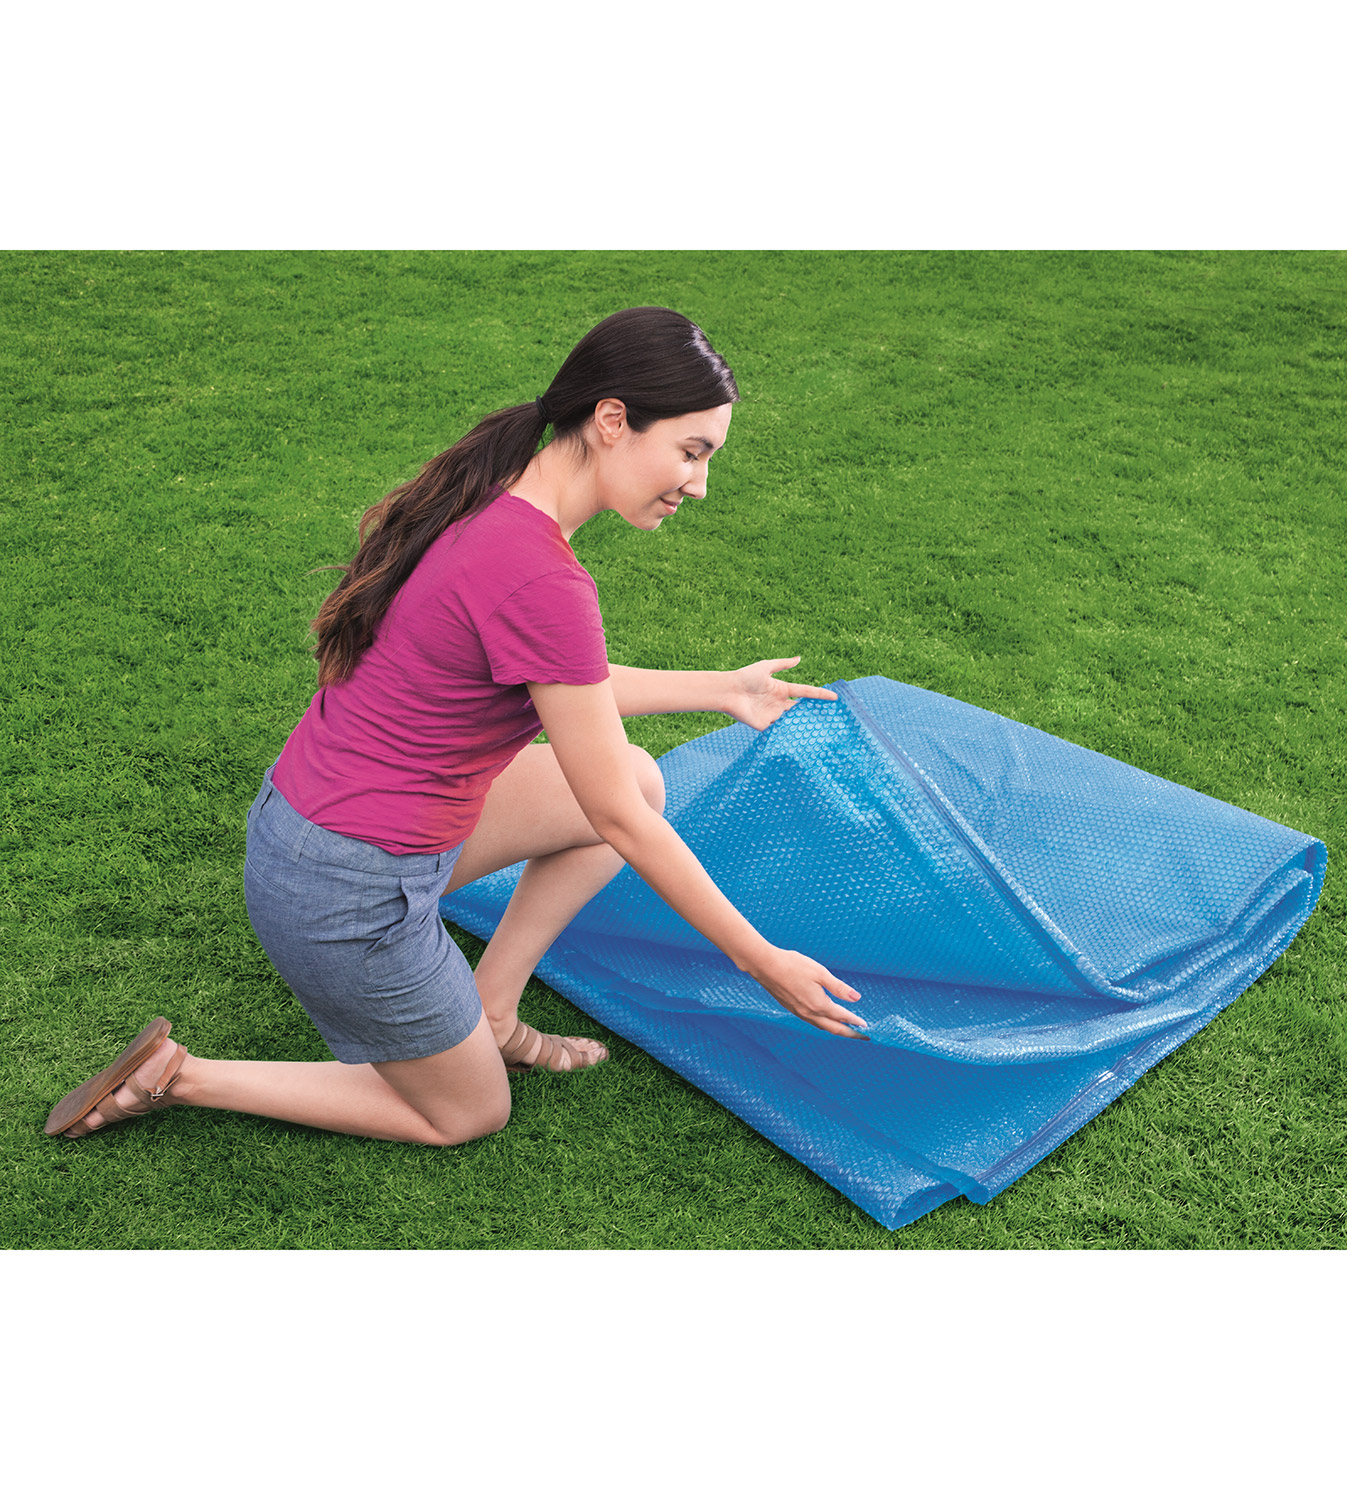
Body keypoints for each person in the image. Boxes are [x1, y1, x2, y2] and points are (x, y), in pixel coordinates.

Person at [44, 306, 865, 1147]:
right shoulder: (542, 576)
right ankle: (181, 1075)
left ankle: (492, 1012)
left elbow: (563, 682)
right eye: (691, 452)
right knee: (468, 1113)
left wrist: (721, 688)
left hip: (308, 838)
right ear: (613, 420)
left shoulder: (490, 502)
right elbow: (616, 816)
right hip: (349, 892)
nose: (699, 483)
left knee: (639, 775)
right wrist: (759, 959)